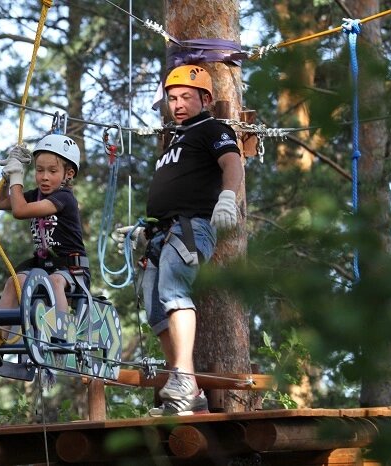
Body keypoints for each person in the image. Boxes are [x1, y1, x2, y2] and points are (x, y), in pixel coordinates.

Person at [115, 64, 243, 416]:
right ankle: (190, 393)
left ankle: (184, 376)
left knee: (174, 291)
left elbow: (233, 162)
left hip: (192, 228)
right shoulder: (175, 139)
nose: (178, 104)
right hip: (162, 231)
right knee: (155, 309)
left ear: (205, 98)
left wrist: (228, 197)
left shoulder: (213, 128)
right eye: (172, 98)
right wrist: (144, 230)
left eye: (187, 96)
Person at [0, 133, 90, 319]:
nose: (44, 177)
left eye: (52, 171)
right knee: (14, 282)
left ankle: (59, 332)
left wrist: (17, 178)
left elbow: (19, 211)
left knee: (55, 282)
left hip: (70, 269)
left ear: (68, 174)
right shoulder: (35, 195)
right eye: (39, 170)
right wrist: (8, 178)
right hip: (43, 266)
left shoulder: (64, 198)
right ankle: (0, 334)